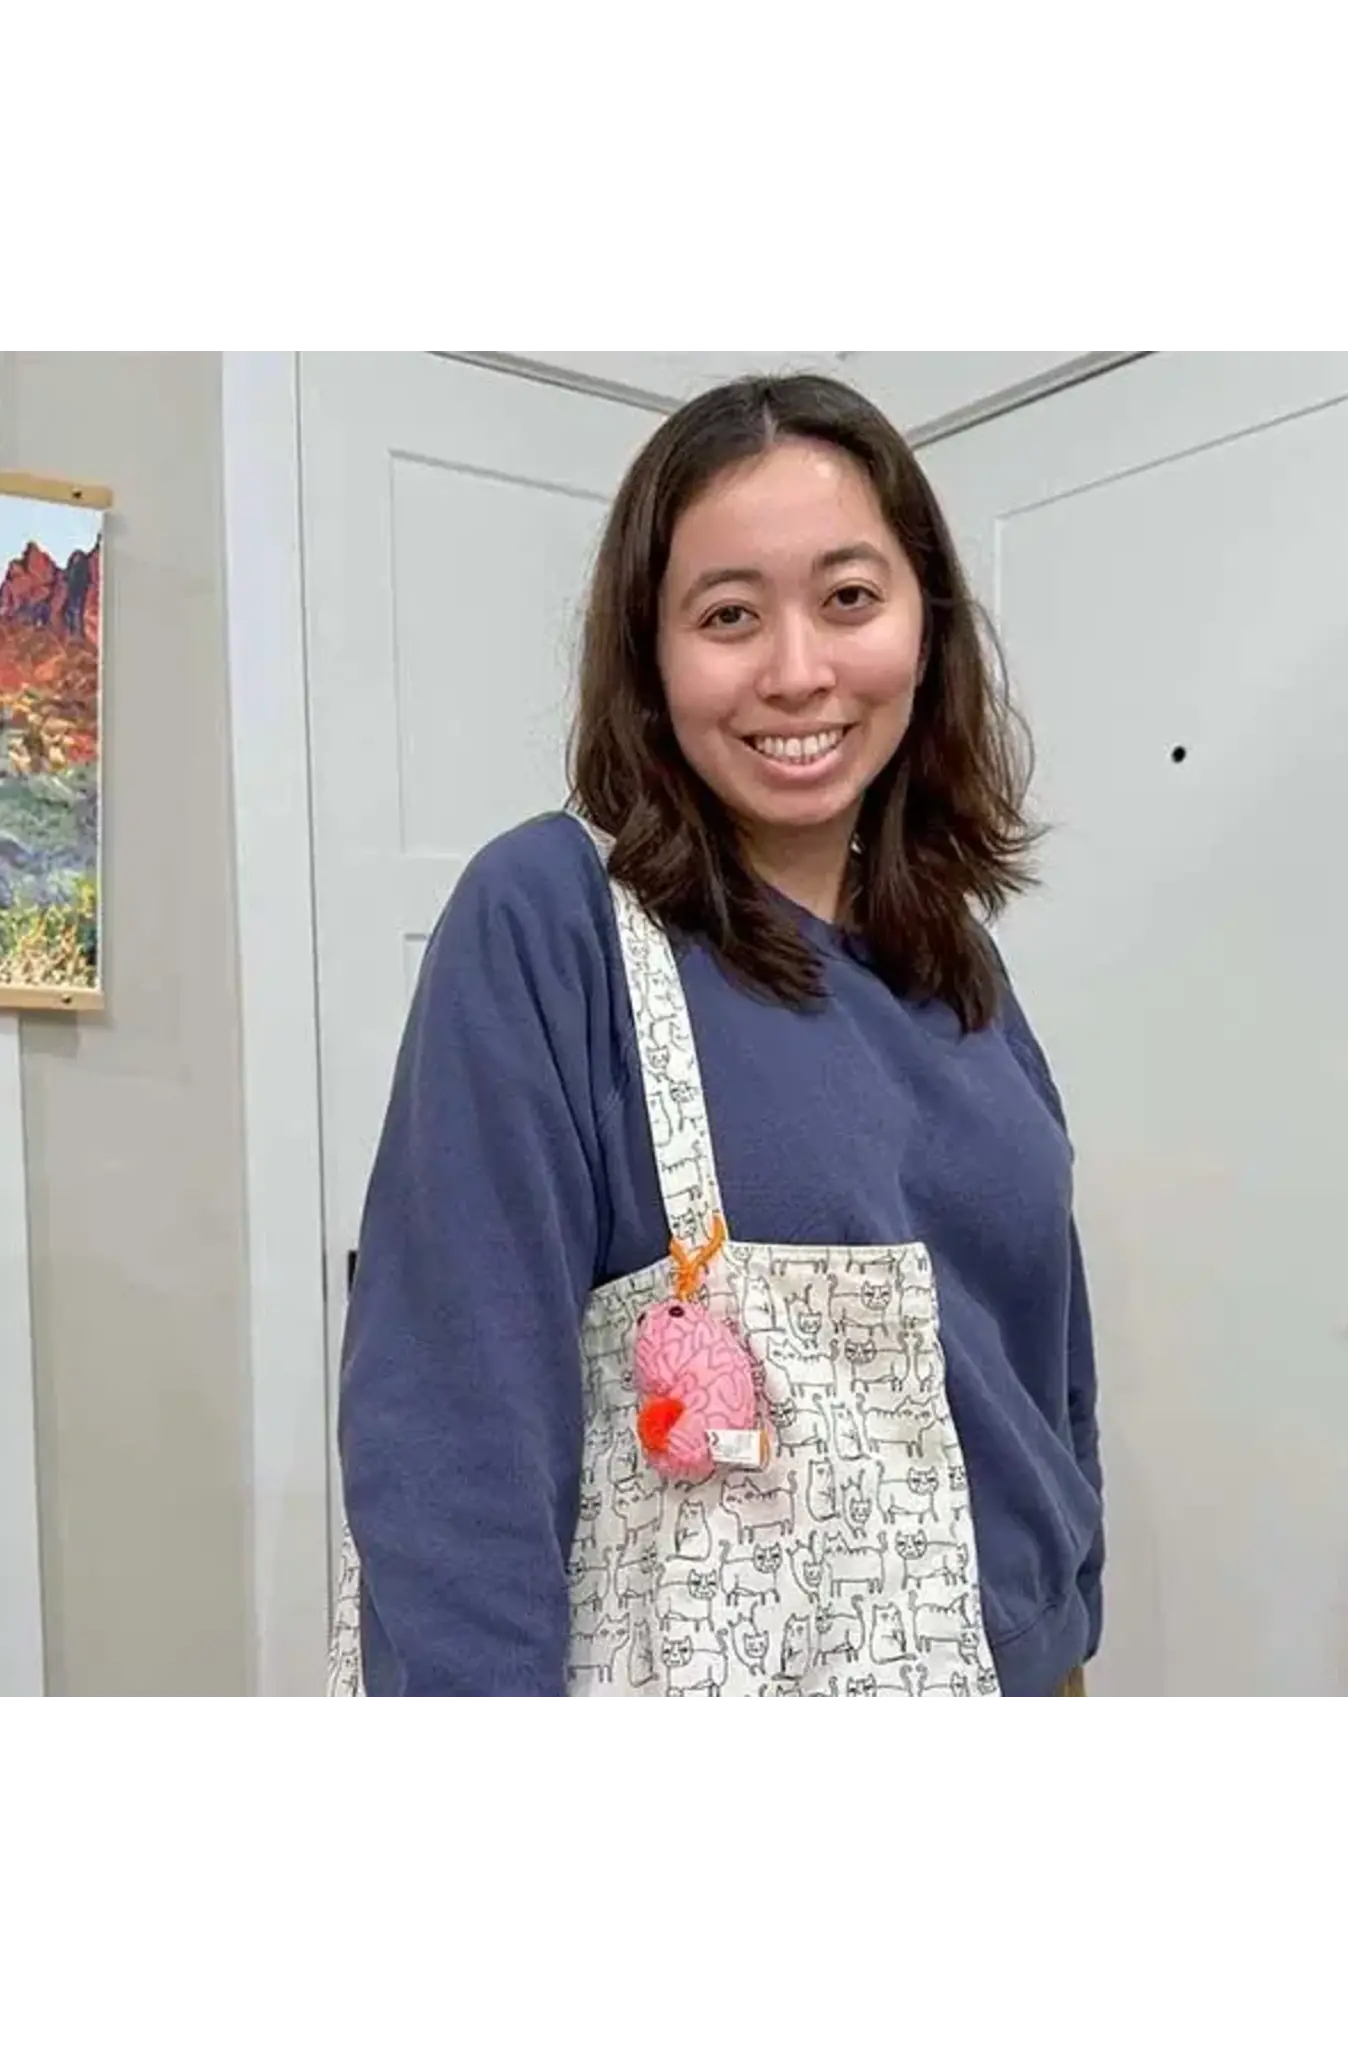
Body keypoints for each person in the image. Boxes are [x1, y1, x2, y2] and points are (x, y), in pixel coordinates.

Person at [334, 373, 1104, 1704]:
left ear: (927, 623)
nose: (797, 669)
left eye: (850, 598)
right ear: (651, 653)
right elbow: (450, 1426)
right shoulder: (554, 920)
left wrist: (1069, 1615)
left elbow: (1041, 1357)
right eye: (730, 615)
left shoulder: (954, 958)